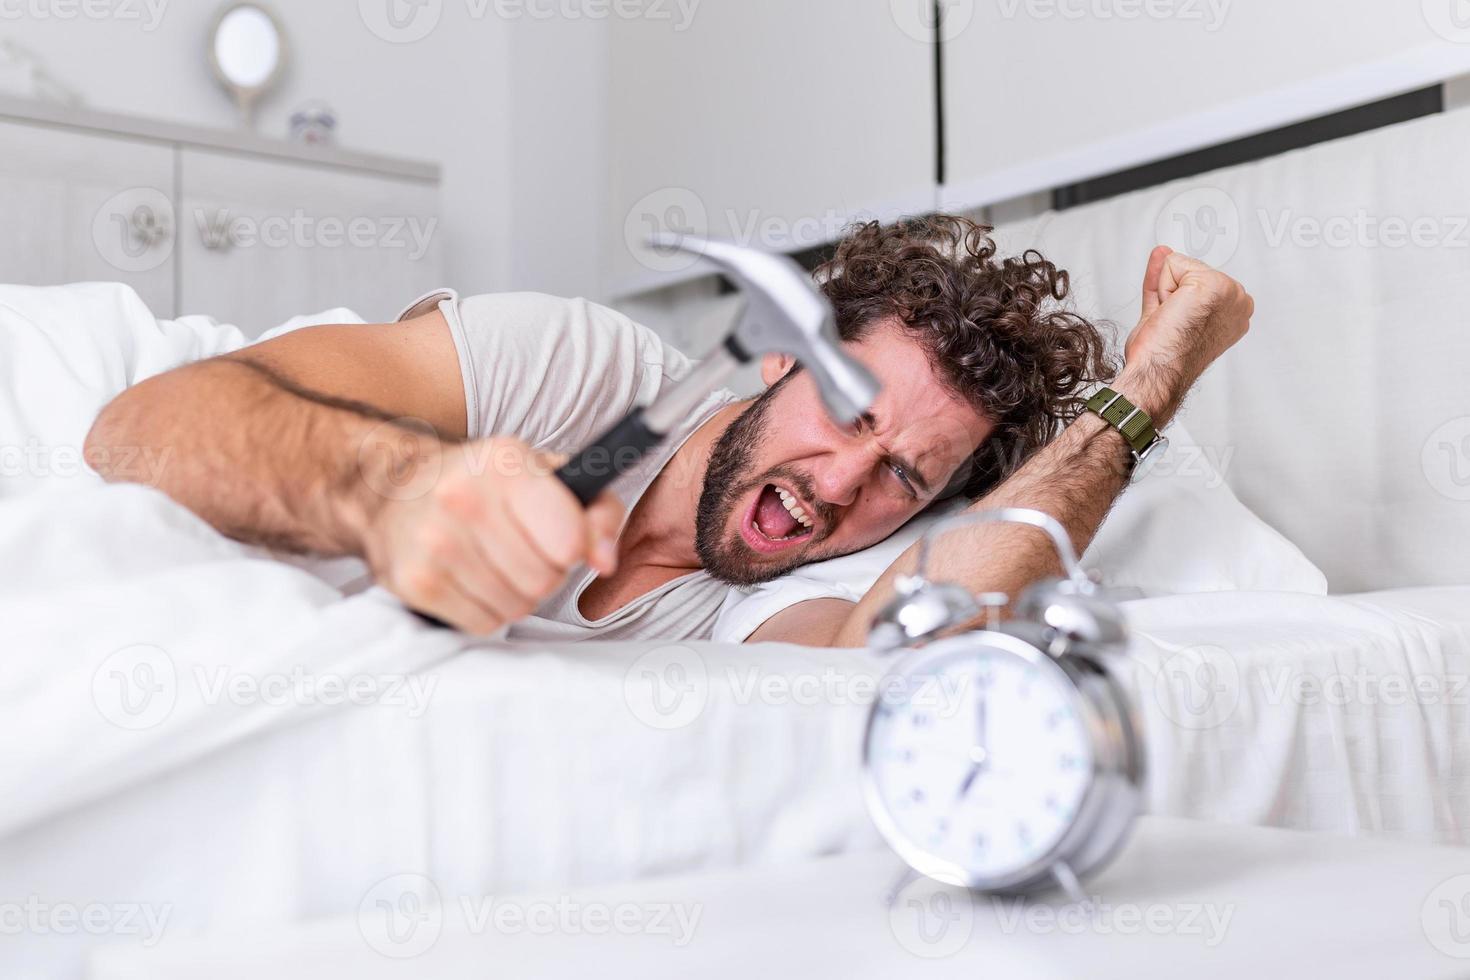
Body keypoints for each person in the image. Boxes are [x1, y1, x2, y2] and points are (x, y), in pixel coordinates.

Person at [85, 216, 1252, 645]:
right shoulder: (575, 365)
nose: (845, 480)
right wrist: (388, 490)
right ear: (781, 351)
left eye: (905, 472)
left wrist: (1148, 383)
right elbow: (144, 425)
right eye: (850, 407)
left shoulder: (776, 592)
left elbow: (915, 652)